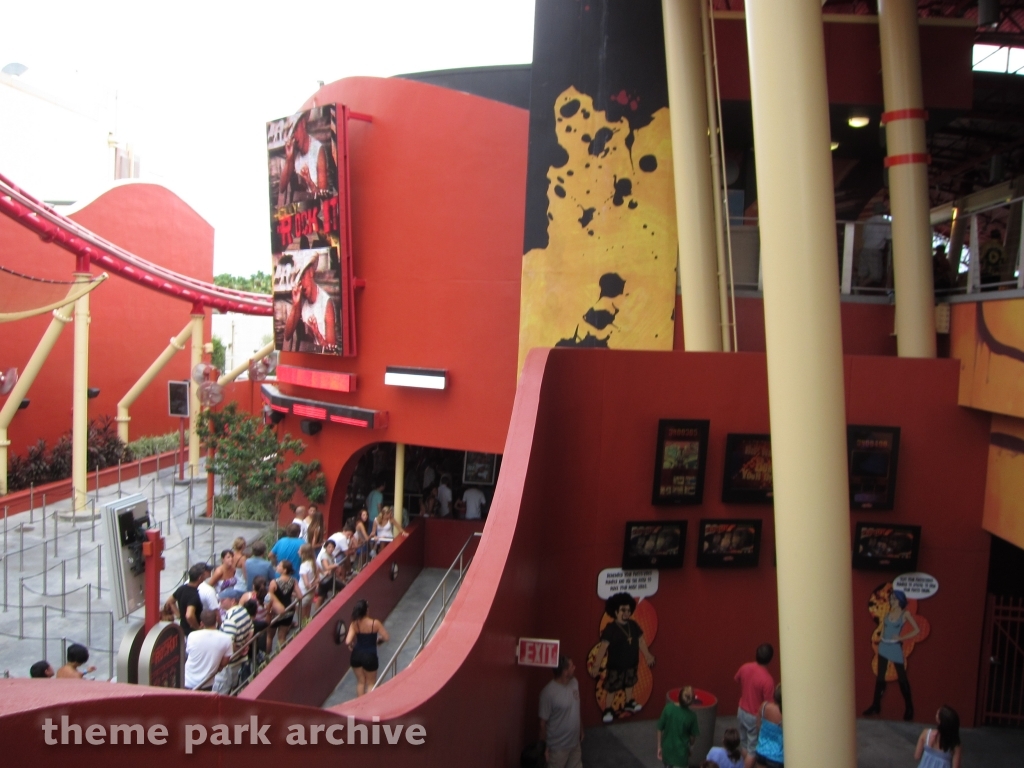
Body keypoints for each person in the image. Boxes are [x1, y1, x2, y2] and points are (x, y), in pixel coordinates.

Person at [588, 592, 656, 723]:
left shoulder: (633, 625)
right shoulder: (610, 628)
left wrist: (648, 656)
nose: (626, 613)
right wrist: (596, 666)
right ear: (615, 611)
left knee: (630, 684)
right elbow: (603, 648)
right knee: (612, 688)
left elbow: (641, 641)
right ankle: (608, 709)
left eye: (628, 610)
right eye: (623, 610)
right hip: (615, 666)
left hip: (631, 663)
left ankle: (629, 702)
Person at [863, 589, 920, 721]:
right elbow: (884, 628)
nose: (891, 601)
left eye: (894, 599)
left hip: (894, 647)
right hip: (884, 646)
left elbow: (916, 629)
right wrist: (880, 639)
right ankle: (875, 704)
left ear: (900, 600)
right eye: (891, 598)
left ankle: (909, 707)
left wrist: (901, 637)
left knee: (902, 677)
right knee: (880, 676)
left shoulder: (905, 614)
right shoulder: (887, 613)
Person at [283, 250, 337, 352]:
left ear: (311, 272)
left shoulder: (327, 304)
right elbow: (287, 335)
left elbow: (332, 350)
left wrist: (317, 333)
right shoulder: (301, 301)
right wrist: (295, 304)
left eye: (303, 276)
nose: (302, 283)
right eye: (299, 279)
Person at [539, 655, 583, 768]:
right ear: (565, 672)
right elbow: (542, 723)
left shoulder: (574, 682)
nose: (574, 667)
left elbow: (576, 708)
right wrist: (544, 747)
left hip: (575, 744)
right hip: (558, 748)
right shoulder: (548, 693)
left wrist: (581, 729)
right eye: (571, 666)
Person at [734, 644, 776, 756]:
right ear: (770, 659)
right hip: (754, 716)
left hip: (741, 710)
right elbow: (769, 704)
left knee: (744, 744)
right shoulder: (768, 680)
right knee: (752, 750)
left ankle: (744, 762)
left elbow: (737, 679)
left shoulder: (745, 667)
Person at [279, 110, 329, 198]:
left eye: (295, 129)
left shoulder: (318, 150)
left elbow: (323, 196)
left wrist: (309, 181)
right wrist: (289, 159)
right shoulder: (294, 154)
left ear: (303, 123)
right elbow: (282, 188)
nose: (294, 136)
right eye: (291, 133)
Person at [345, 599, 390, 696]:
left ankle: (360, 703)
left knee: (361, 682)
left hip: (356, 655)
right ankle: (369, 703)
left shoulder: (354, 624)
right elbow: (386, 637)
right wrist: (379, 641)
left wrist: (351, 645)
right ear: (366, 610)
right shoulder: (375, 623)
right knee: (371, 683)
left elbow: (348, 641)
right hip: (370, 655)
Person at [213, 590, 252, 694]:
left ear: (233, 601)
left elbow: (228, 644)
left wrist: (239, 649)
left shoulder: (230, 619)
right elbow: (251, 629)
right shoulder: (243, 611)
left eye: (223, 600)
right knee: (233, 687)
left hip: (228, 664)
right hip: (238, 660)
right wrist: (245, 645)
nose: (220, 602)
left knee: (220, 693)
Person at [184, 610, 233, 691]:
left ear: (201, 623)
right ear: (216, 619)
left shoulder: (192, 636)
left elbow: (188, 653)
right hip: (207, 682)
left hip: (187, 681)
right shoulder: (226, 639)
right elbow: (225, 662)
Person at [657, 685, 700, 768]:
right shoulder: (692, 716)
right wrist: (691, 749)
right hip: (681, 755)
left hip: (667, 751)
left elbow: (659, 728)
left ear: (679, 695)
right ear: (691, 701)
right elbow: (692, 738)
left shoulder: (668, 708)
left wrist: (659, 747)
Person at [746, 684, 782, 768]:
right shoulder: (784, 715)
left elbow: (758, 726)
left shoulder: (764, 706)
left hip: (761, 751)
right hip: (778, 757)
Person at [164, 563, 207, 635]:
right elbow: (189, 615)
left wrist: (179, 615)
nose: (205, 578)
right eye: (203, 576)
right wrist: (198, 628)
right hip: (192, 632)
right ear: (200, 578)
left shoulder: (181, 588)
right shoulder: (193, 595)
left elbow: (170, 601)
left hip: (183, 628)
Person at [268, 560, 299, 650]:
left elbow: (269, 597)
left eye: (279, 566)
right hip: (289, 610)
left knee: (269, 636)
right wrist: (290, 594)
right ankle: (282, 654)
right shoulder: (293, 581)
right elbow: (300, 596)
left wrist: (268, 611)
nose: (277, 566)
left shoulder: (274, 582)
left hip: (275, 613)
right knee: (282, 636)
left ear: (284, 570)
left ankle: (267, 657)